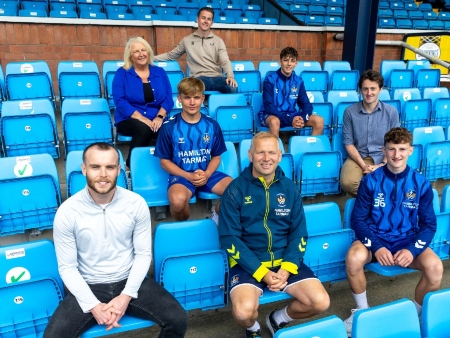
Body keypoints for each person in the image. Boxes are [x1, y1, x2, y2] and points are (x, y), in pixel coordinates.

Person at [44, 142, 187, 338]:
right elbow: (67, 267)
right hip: (90, 285)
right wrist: (93, 306)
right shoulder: (67, 212)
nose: (103, 174)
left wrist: (125, 297)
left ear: (119, 170)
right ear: (84, 169)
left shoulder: (136, 204)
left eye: (110, 167)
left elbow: (143, 255)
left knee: (177, 319)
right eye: (95, 167)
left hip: (129, 280)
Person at [219, 132, 330, 338]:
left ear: (280, 155)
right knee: (243, 313)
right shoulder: (235, 190)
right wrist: (262, 272)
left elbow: (299, 234)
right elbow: (229, 239)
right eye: (260, 152)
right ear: (250, 155)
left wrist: (287, 268)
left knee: (321, 302)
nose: (266, 158)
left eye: (271, 152)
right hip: (247, 263)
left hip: (283, 261)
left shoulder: (289, 188)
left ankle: (277, 319)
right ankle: (253, 328)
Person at [344, 127, 443, 337]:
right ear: (384, 150)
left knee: (435, 267)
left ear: (411, 151)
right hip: (375, 236)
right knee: (353, 258)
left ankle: (415, 315)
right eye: (391, 149)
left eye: (402, 149)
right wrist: (376, 247)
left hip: (407, 238)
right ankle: (361, 312)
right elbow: (358, 220)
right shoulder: (370, 181)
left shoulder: (421, 183)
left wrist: (412, 251)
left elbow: (429, 225)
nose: (396, 155)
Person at [154, 77, 233, 222]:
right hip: (182, 176)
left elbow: (216, 156)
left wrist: (207, 174)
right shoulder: (169, 127)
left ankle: (214, 220)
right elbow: (164, 162)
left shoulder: (212, 125)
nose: (192, 102)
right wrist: (188, 176)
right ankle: (185, 226)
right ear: (179, 98)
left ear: (203, 98)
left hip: (206, 173)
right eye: (187, 98)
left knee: (237, 192)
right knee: (178, 202)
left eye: (196, 98)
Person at [113, 36, 174, 169]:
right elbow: (119, 101)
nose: (141, 54)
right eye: (136, 51)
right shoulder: (122, 73)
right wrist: (142, 118)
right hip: (129, 118)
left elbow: (168, 98)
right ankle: (131, 166)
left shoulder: (160, 72)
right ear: (130, 56)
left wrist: (159, 117)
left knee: (170, 130)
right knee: (144, 129)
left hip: (156, 117)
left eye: (143, 50)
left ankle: (167, 167)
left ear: (148, 52)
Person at [340, 69, 400, 197]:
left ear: (380, 89)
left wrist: (382, 164)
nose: (369, 93)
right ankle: (379, 199)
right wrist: (363, 166)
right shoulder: (349, 112)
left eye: (373, 89)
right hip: (359, 156)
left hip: (385, 156)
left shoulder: (391, 112)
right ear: (360, 90)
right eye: (365, 89)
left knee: (396, 182)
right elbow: (348, 143)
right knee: (348, 183)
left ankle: (373, 202)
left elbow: (395, 142)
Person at [154, 7, 237, 94]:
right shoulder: (187, 40)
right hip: (198, 78)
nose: (205, 21)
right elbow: (170, 55)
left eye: (209, 19)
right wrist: (151, 58)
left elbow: (225, 60)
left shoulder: (218, 41)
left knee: (233, 87)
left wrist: (230, 76)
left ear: (211, 23)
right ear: (197, 19)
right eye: (203, 18)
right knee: (191, 86)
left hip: (217, 77)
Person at [259, 47, 324, 138]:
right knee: (274, 122)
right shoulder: (270, 79)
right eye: (285, 60)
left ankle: (310, 150)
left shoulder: (298, 81)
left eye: (292, 61)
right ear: (280, 61)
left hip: (292, 115)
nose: (289, 64)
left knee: (319, 120)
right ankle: (274, 151)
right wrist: (290, 119)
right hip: (271, 115)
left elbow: (307, 105)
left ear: (296, 63)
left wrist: (303, 118)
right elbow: (269, 107)